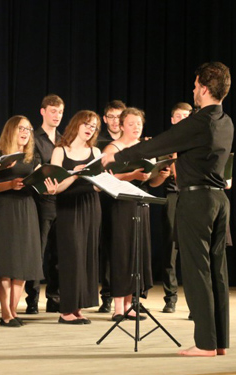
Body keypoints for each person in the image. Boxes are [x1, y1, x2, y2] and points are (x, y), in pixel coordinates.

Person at [102, 62, 233, 357]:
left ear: (203, 87)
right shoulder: (226, 121)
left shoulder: (199, 121)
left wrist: (117, 158)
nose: (193, 89)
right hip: (219, 201)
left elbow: (157, 144)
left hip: (197, 201)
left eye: (195, 84)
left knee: (198, 271)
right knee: (217, 272)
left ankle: (205, 344)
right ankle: (219, 341)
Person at [102, 107, 169, 322]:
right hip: (120, 204)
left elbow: (151, 182)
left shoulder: (145, 148)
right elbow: (106, 178)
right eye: (131, 124)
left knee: (137, 251)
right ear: (121, 126)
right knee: (122, 253)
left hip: (141, 202)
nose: (135, 128)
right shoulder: (112, 148)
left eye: (138, 124)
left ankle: (131, 303)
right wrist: (131, 175)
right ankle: (118, 306)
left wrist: (162, 175)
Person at [44, 110, 102, 324]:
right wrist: (76, 173)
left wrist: (102, 181)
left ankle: (78, 307)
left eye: (94, 126)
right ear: (77, 124)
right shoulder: (60, 150)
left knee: (86, 256)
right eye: (87, 124)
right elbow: (55, 188)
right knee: (71, 257)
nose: (90, 129)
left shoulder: (95, 151)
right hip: (68, 207)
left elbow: (96, 187)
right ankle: (65, 309)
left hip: (90, 206)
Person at [0, 115, 43, 327]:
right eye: (21, 128)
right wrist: (9, 184)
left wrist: (47, 185)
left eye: (28, 129)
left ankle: (14, 310)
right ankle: (5, 313)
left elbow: (39, 182)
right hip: (6, 208)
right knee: (8, 263)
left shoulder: (32, 157)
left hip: (27, 208)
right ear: (11, 130)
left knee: (23, 263)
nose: (25, 132)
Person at [25, 94, 64, 314]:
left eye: (60, 112)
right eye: (53, 111)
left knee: (58, 253)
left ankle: (54, 297)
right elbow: (34, 167)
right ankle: (32, 298)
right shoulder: (34, 137)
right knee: (37, 251)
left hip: (61, 199)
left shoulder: (63, 138)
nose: (57, 116)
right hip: (40, 201)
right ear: (43, 112)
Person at [161, 102, 192, 314]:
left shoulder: (197, 139)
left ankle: (194, 302)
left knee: (193, 249)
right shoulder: (168, 141)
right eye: (178, 116)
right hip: (173, 194)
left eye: (186, 116)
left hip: (193, 194)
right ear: (173, 120)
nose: (182, 119)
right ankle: (170, 297)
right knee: (170, 249)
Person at [97, 99, 127, 313]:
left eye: (119, 117)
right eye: (112, 116)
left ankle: (128, 297)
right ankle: (107, 295)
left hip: (126, 199)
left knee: (126, 249)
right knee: (106, 248)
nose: (115, 121)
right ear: (105, 118)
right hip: (105, 199)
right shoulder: (99, 142)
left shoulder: (132, 142)